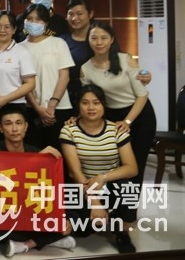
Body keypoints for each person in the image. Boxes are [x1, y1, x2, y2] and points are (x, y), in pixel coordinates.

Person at [81, 21, 155, 220]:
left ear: (112, 39)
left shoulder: (125, 60)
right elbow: (89, 98)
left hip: (139, 116)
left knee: (135, 167)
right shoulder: (86, 69)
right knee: (115, 167)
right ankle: (111, 211)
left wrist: (127, 122)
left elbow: (142, 95)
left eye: (104, 37)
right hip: (111, 117)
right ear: (88, 40)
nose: (99, 42)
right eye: (94, 38)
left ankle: (128, 216)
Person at [0, 105, 75, 257]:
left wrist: (60, 215)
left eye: (19, 123)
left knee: (72, 216)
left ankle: (26, 244)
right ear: (0, 128)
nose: (15, 129)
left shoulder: (36, 151)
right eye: (8, 124)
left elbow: (49, 191)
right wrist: (35, 161)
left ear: (26, 126)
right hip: (6, 212)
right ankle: (47, 240)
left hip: (30, 210)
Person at [60, 85, 138, 253]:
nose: (91, 107)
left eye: (96, 103)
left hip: (109, 185)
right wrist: (95, 202)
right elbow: (75, 172)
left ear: (104, 105)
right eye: (85, 103)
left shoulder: (117, 130)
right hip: (82, 187)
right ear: (78, 106)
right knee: (85, 230)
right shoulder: (69, 130)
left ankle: (121, 232)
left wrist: (102, 177)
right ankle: (97, 216)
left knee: (128, 187)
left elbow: (132, 168)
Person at [22, 3, 74, 150]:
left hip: (59, 107)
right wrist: (38, 108)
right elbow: (23, 82)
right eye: (29, 19)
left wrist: (51, 106)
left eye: (38, 19)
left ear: (46, 23)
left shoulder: (58, 43)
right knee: (34, 154)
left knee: (58, 153)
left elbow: (64, 76)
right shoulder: (19, 48)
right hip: (31, 109)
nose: (33, 22)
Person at [0, 10, 36, 147]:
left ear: (14, 30)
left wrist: (5, 99)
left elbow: (30, 84)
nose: (2, 30)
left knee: (14, 146)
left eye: (7, 27)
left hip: (15, 107)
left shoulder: (22, 52)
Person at [62, 0, 95, 102]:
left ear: (90, 14)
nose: (74, 18)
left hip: (94, 94)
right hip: (66, 95)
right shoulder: (62, 41)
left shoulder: (98, 40)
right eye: (70, 14)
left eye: (79, 13)